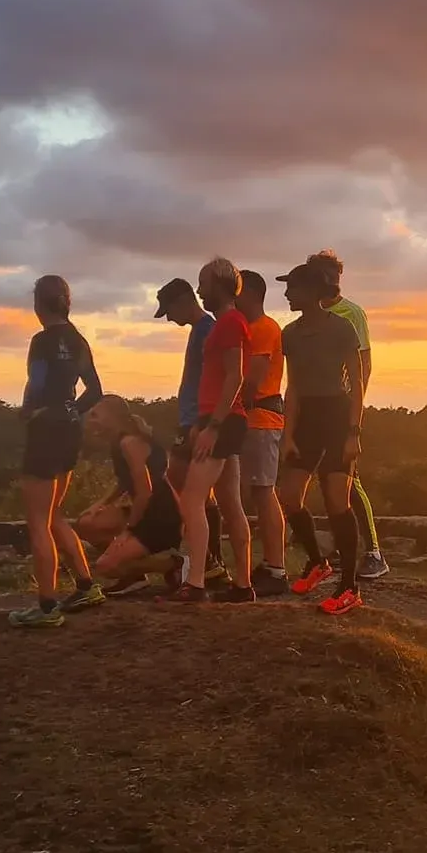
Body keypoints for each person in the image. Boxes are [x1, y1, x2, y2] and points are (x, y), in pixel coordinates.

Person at [274, 260, 368, 615]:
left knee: (336, 500)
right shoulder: (291, 334)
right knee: (290, 497)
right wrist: (288, 433)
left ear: (313, 292)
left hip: (337, 415)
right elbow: (293, 386)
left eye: (292, 288)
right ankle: (318, 562)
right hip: (307, 418)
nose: (286, 294)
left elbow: (357, 384)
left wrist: (354, 432)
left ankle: (350, 587)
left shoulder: (342, 328)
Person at [11, 275, 104, 629]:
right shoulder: (78, 341)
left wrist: (30, 411)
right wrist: (71, 411)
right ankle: (86, 585)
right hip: (69, 432)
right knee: (54, 515)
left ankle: (47, 606)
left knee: (37, 521)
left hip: (45, 432)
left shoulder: (42, 341)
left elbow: (36, 382)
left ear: (38, 305)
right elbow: (94, 390)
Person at [167, 257, 254, 605]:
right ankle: (243, 584)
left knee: (191, 498)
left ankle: (198, 583)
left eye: (203, 284)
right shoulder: (223, 324)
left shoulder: (231, 322)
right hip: (218, 419)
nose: (200, 291)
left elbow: (235, 376)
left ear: (218, 284)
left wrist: (212, 427)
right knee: (231, 504)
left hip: (222, 421)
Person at [308, 249, 388, 579]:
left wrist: (356, 411)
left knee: (349, 480)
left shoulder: (351, 313)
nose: (334, 283)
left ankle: (374, 553)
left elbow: (364, 366)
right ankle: (345, 549)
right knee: (326, 480)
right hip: (315, 407)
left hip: (342, 409)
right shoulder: (308, 316)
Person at [154, 276, 225, 584]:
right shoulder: (200, 330)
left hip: (198, 422)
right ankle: (212, 561)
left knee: (182, 491)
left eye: (169, 310)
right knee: (203, 496)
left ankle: (205, 561)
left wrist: (202, 423)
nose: (169, 318)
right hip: (192, 420)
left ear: (184, 301)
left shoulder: (207, 330)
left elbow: (217, 379)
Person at [81, 395, 184, 595]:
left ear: (113, 417)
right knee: (87, 522)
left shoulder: (129, 443)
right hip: (143, 508)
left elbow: (145, 491)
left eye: (95, 415)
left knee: (105, 567)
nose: (90, 420)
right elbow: (125, 481)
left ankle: (171, 563)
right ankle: (134, 577)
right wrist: (101, 504)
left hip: (160, 516)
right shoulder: (118, 442)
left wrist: (128, 531)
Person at [234, 269, 289, 596]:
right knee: (255, 492)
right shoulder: (248, 330)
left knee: (264, 492)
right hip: (251, 419)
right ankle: (269, 564)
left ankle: (276, 568)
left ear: (250, 295)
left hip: (260, 419)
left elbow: (252, 380)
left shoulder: (265, 329)